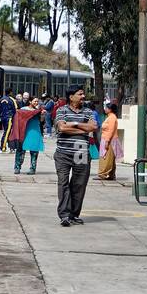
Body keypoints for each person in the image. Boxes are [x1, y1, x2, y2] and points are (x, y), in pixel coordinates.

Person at [54, 86, 97, 226]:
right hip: (63, 153)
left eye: (83, 94)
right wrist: (82, 129)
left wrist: (75, 124)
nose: (83, 96)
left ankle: (73, 214)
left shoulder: (88, 111)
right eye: (80, 94)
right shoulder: (62, 110)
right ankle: (64, 215)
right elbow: (62, 128)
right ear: (71, 97)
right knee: (63, 183)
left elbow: (92, 127)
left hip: (81, 152)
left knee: (79, 184)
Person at [9, 97, 45, 175]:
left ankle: (33, 168)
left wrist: (42, 115)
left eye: (37, 101)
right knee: (20, 150)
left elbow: (41, 121)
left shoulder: (38, 110)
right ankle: (17, 167)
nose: (36, 103)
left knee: (34, 150)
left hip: (35, 131)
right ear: (30, 101)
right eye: (35, 101)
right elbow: (18, 119)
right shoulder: (23, 109)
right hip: (24, 131)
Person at [97, 101, 122, 180]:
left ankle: (103, 173)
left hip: (109, 140)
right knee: (110, 158)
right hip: (107, 139)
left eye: (106, 108)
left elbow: (110, 130)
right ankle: (111, 174)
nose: (105, 109)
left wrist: (107, 141)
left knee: (106, 157)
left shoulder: (112, 118)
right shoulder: (110, 117)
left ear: (110, 109)